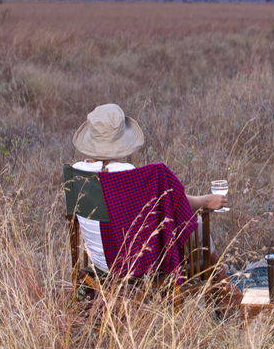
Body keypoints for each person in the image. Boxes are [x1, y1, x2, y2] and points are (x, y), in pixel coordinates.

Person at [70, 103, 227, 275]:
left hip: (98, 263)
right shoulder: (127, 175)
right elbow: (170, 200)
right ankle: (222, 283)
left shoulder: (76, 171)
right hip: (133, 264)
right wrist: (205, 201)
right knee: (195, 223)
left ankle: (221, 283)